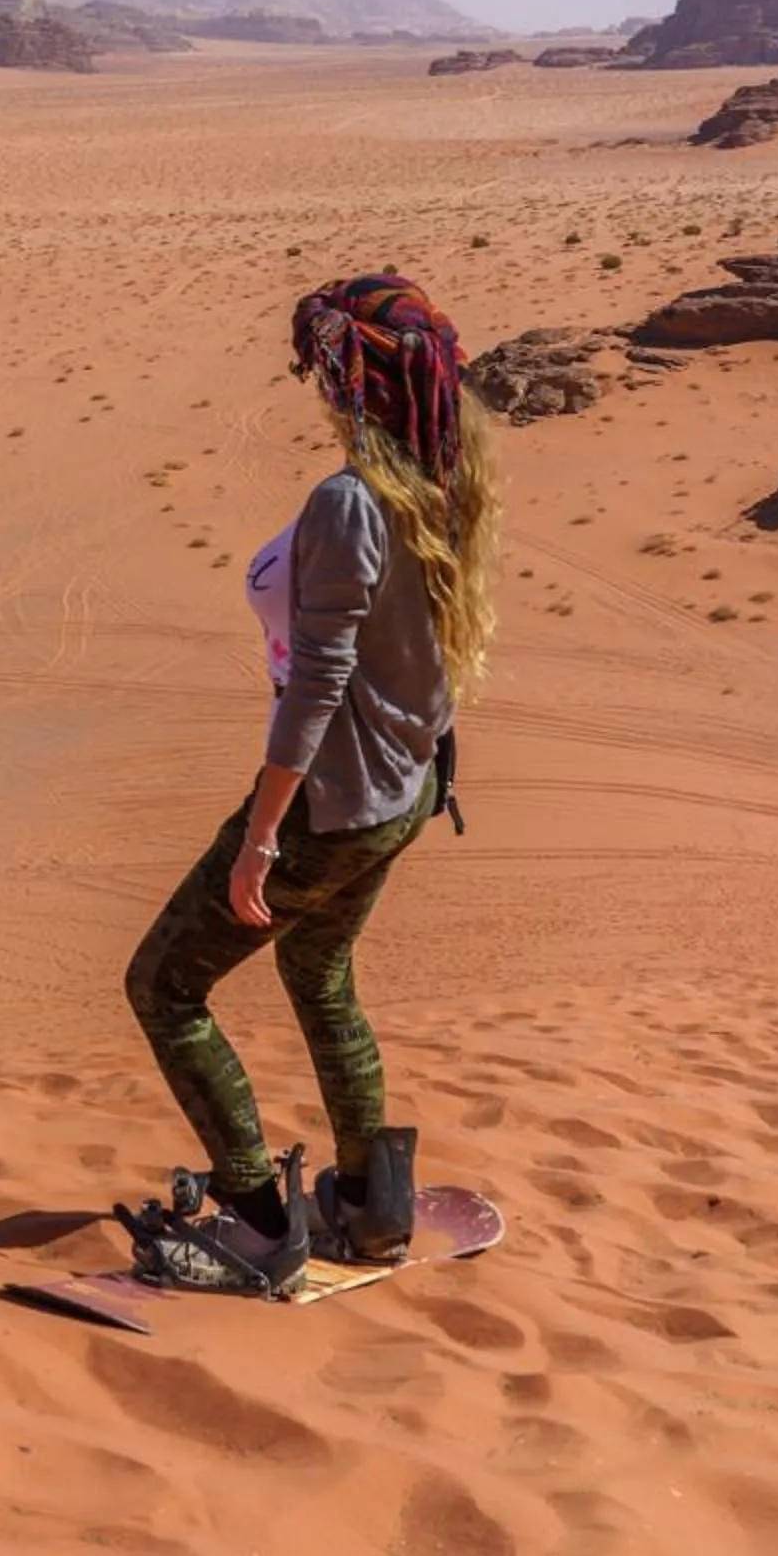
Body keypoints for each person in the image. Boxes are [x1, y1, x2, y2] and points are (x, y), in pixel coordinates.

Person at [117, 274, 501, 1296]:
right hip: (406, 791)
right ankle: (375, 1207)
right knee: (320, 973)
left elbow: (320, 684)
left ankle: (254, 1216)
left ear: (349, 377)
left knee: (164, 984)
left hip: (332, 806)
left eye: (317, 367)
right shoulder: (442, 473)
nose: (312, 385)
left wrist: (261, 837)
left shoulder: (349, 501)